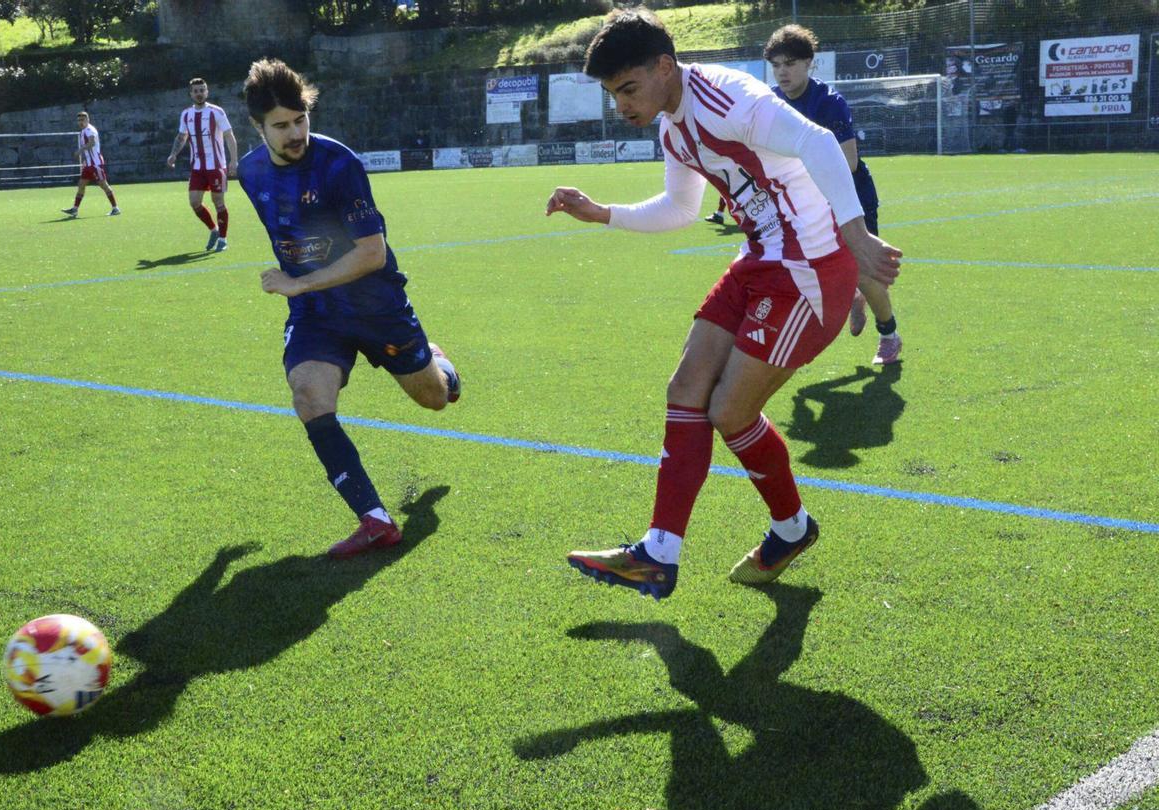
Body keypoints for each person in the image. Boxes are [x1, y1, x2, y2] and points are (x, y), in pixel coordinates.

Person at [546, 9, 900, 599]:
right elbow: (681, 210)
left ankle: (789, 528)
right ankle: (659, 554)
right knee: (685, 390)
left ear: (665, 66)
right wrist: (602, 211)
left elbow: (817, 142)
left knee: (729, 414)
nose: (622, 105)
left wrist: (857, 235)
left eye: (628, 89)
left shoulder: (725, 96)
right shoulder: (672, 126)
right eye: (613, 94)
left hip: (807, 269)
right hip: (760, 259)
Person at [236, 58, 462, 559]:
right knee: (308, 396)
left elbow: (371, 253)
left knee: (434, 399)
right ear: (258, 127)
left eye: (301, 120)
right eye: (281, 126)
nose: (295, 133)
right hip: (317, 312)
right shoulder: (249, 172)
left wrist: (301, 283)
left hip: (374, 304)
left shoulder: (341, 165)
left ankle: (441, 365)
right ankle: (375, 519)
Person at [766, 25, 902, 365]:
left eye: (791, 63)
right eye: (777, 64)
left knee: (863, 268)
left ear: (810, 63)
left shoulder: (829, 102)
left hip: (849, 195)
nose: (783, 71)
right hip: (803, 199)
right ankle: (845, 303)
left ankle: (889, 335)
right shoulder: (770, 102)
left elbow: (849, 161)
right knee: (794, 265)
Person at [167, 78, 238, 253]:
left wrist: (233, 160)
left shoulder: (216, 112)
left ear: (207, 92)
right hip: (198, 167)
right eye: (196, 91)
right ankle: (213, 230)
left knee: (218, 202)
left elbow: (229, 135)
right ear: (191, 94)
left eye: (202, 90)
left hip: (216, 166)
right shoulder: (186, 114)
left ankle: (223, 238)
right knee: (194, 202)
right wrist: (173, 154)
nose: (199, 93)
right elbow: (182, 137)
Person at [60, 112, 120, 218]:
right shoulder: (83, 131)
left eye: (83, 120)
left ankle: (115, 208)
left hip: (95, 163)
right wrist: (85, 160)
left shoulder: (90, 130)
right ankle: (75, 209)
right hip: (88, 164)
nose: (81, 122)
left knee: (103, 185)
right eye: (79, 120)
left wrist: (80, 150)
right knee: (81, 185)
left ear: (88, 119)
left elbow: (92, 143)